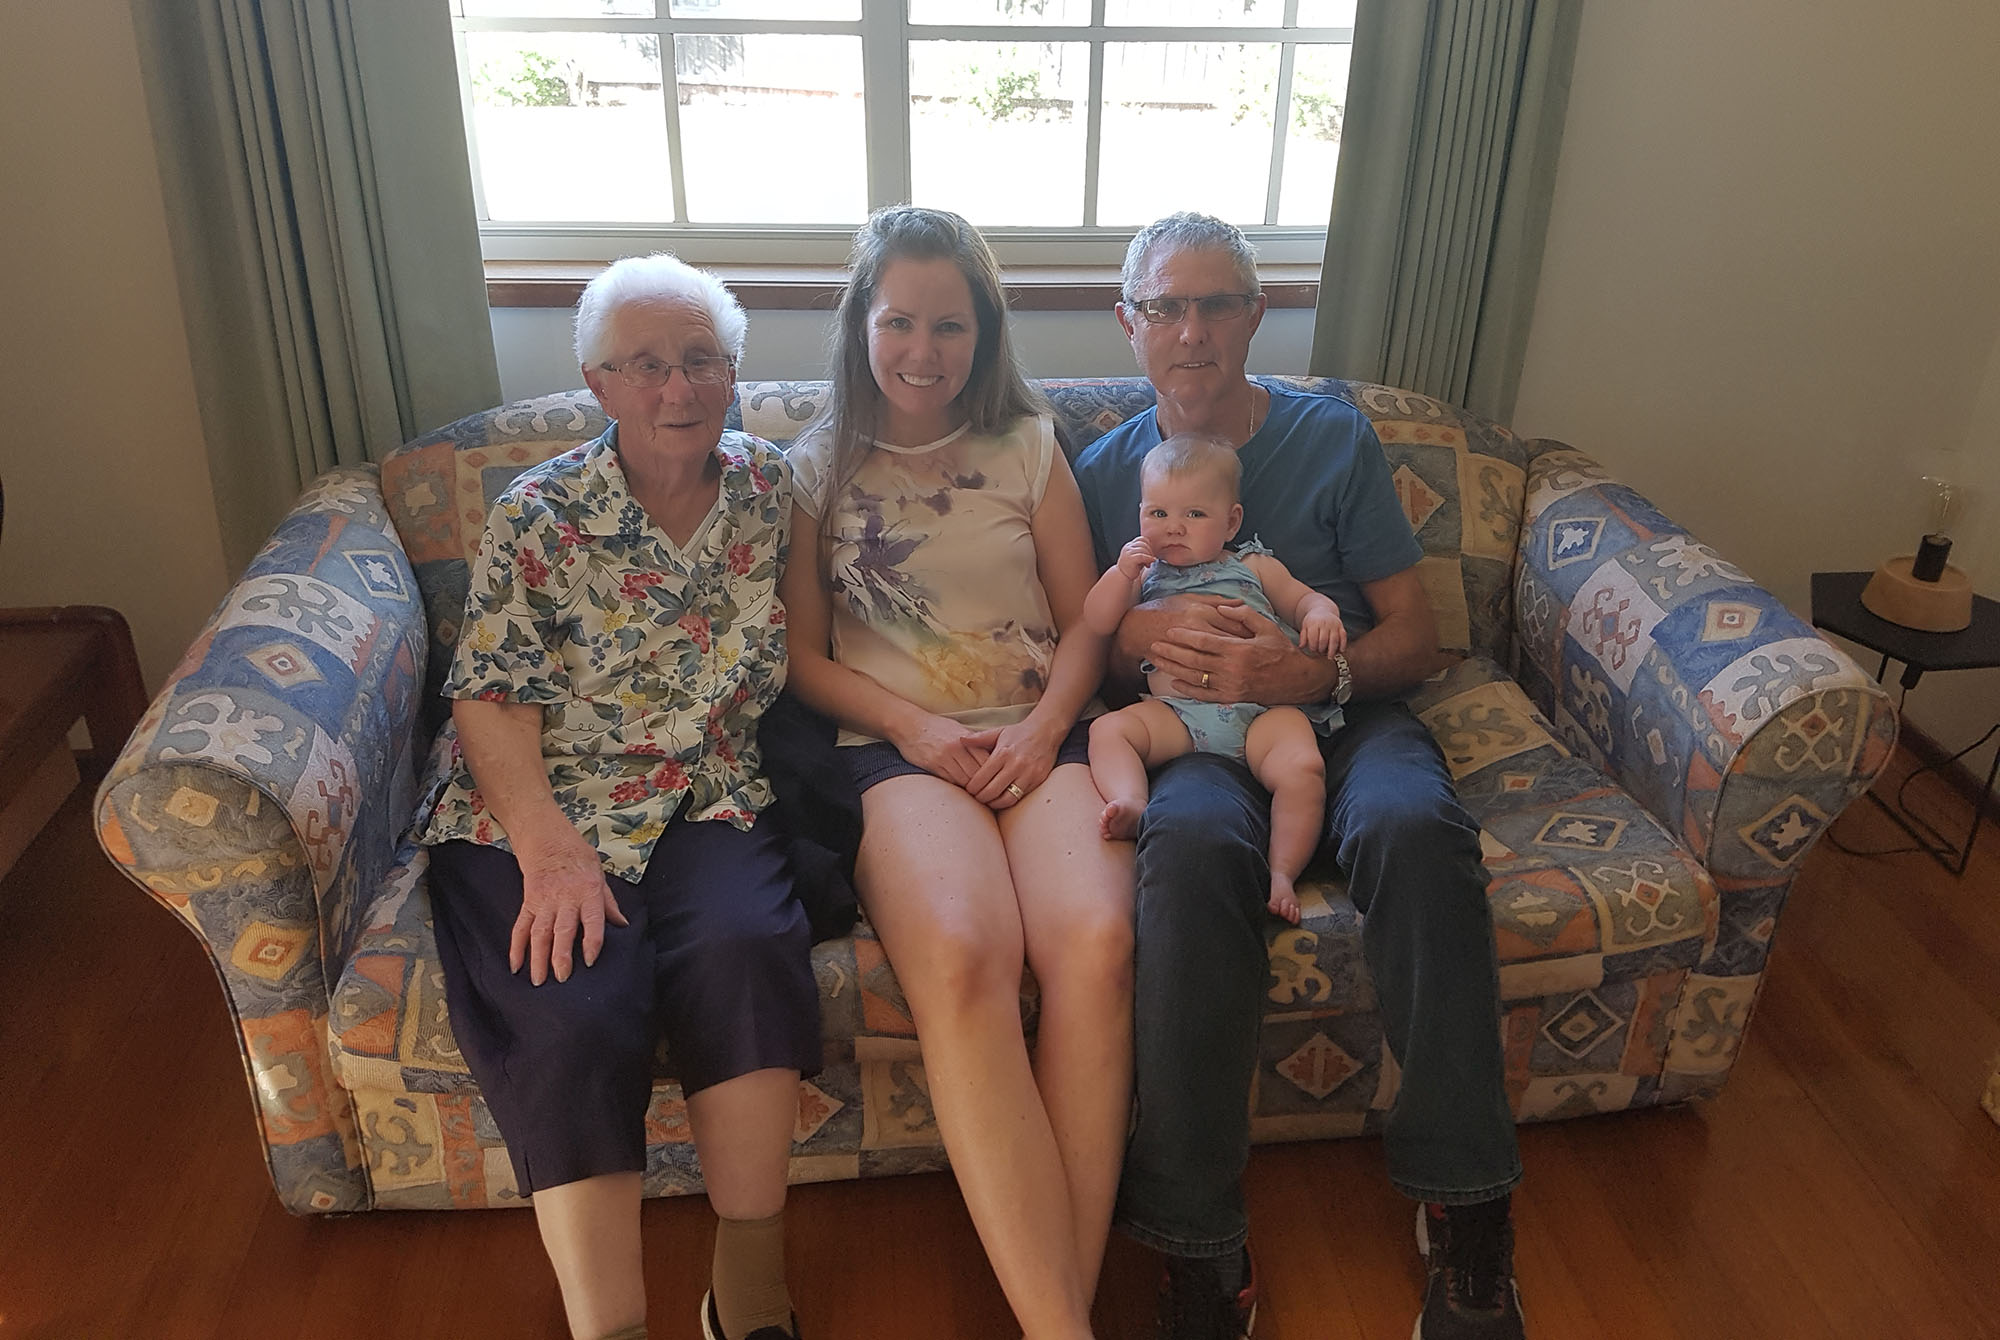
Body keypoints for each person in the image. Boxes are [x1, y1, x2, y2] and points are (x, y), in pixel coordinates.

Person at [1072, 213, 1526, 1340]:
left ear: (1254, 314)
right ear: (1126, 323)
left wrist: (1299, 665)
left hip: (1343, 714)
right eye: (1164, 307)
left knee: (1418, 832)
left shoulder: (1331, 439)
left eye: (1216, 303)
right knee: (1181, 862)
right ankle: (1194, 1239)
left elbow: (1414, 640)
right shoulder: (1094, 472)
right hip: (1198, 734)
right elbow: (1074, 640)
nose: (1191, 332)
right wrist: (1146, 648)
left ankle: (1467, 1212)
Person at [417, 254, 818, 1340]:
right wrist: (548, 849)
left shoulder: (772, 486)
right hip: (543, 798)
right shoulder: (539, 511)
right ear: (597, 381)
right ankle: (610, 1326)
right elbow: (490, 693)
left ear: (732, 374)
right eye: (645, 365)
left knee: (746, 947)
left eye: (700, 362)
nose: (676, 390)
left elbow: (818, 645)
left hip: (708, 791)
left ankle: (748, 1291)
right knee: (568, 1001)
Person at [777, 206, 1134, 1340]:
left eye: (948, 325)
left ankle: (1052, 1316)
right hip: (894, 747)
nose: (921, 352)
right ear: (860, 323)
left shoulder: (1028, 444)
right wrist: (918, 731)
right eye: (897, 323)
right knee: (968, 954)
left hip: (1041, 733)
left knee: (1094, 944)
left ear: (983, 332)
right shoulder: (811, 466)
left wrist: (1045, 731)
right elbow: (798, 655)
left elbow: (1084, 621)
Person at [1082, 432, 1344, 924]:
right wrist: (1119, 576)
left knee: (1303, 769)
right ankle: (1133, 801)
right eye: (1158, 513)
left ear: (1232, 521)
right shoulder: (1143, 573)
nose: (1173, 529)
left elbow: (1305, 599)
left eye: (1194, 515)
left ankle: (1283, 871)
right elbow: (1097, 622)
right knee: (1109, 731)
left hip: (1262, 711)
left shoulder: (1255, 565)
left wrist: (1321, 616)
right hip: (1178, 716)